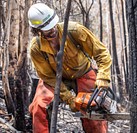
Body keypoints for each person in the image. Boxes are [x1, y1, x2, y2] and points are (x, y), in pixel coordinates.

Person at [28, 3, 112, 133]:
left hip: (83, 72)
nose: (52, 29)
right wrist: (69, 98)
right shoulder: (36, 48)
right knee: (39, 106)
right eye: (46, 28)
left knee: (92, 110)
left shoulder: (74, 31)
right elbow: (48, 77)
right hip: (55, 78)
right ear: (37, 30)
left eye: (52, 24)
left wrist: (103, 78)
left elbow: (102, 53)